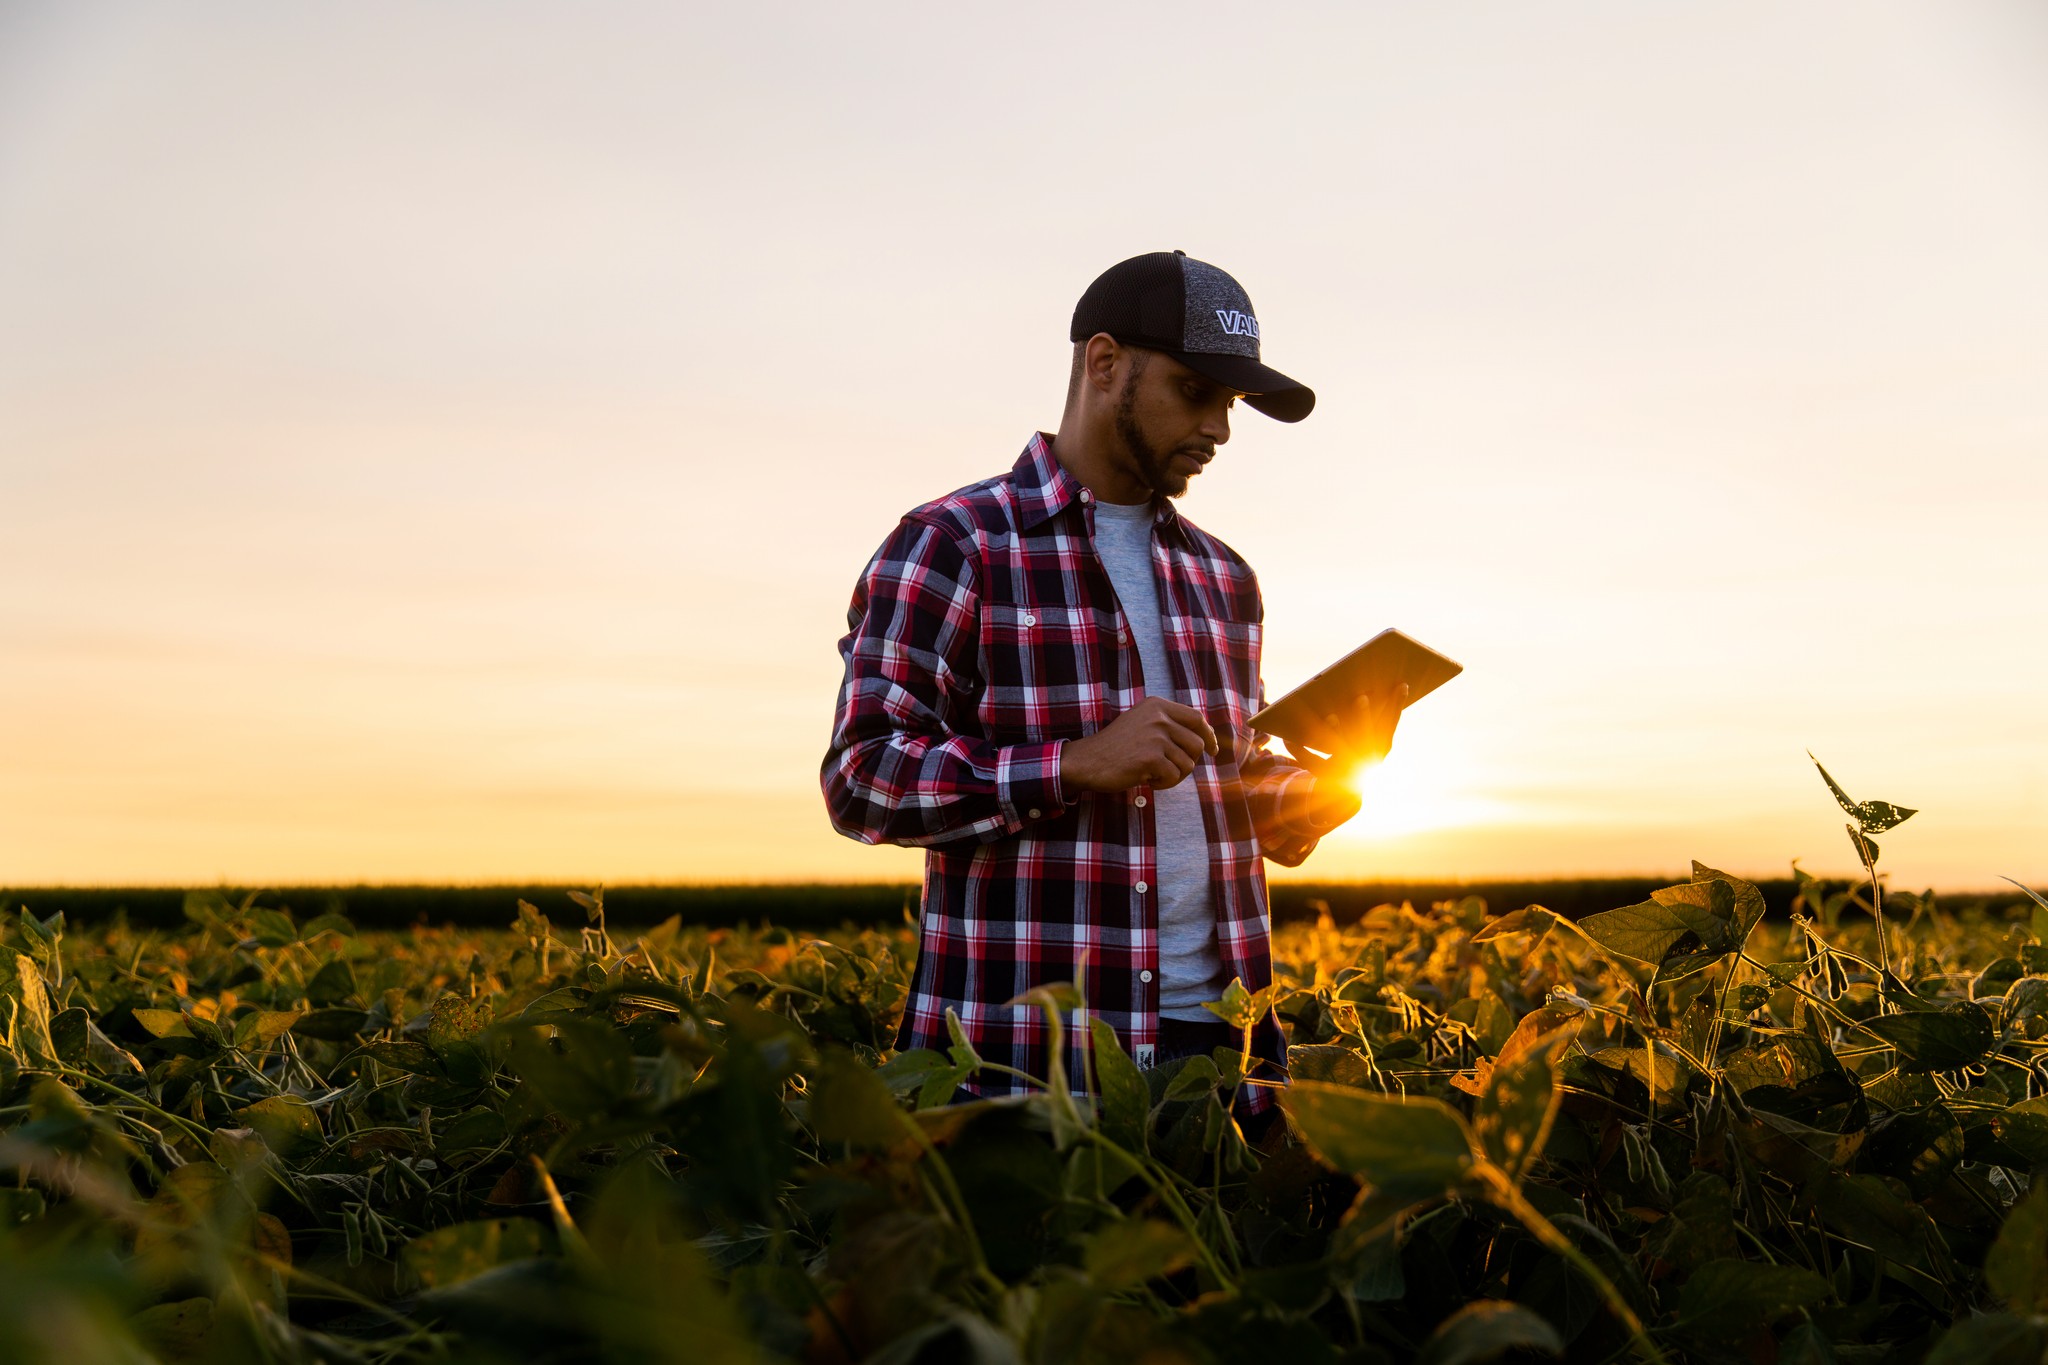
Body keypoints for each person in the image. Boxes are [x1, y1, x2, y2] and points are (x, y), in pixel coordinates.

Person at [821, 251, 1400, 1116]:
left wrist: (1323, 789)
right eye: (1196, 392)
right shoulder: (956, 542)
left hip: (1219, 1054)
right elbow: (863, 779)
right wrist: (1073, 764)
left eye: (1230, 404)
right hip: (1024, 1065)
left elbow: (1218, 780)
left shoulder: (1224, 577)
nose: (1220, 430)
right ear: (1103, 364)